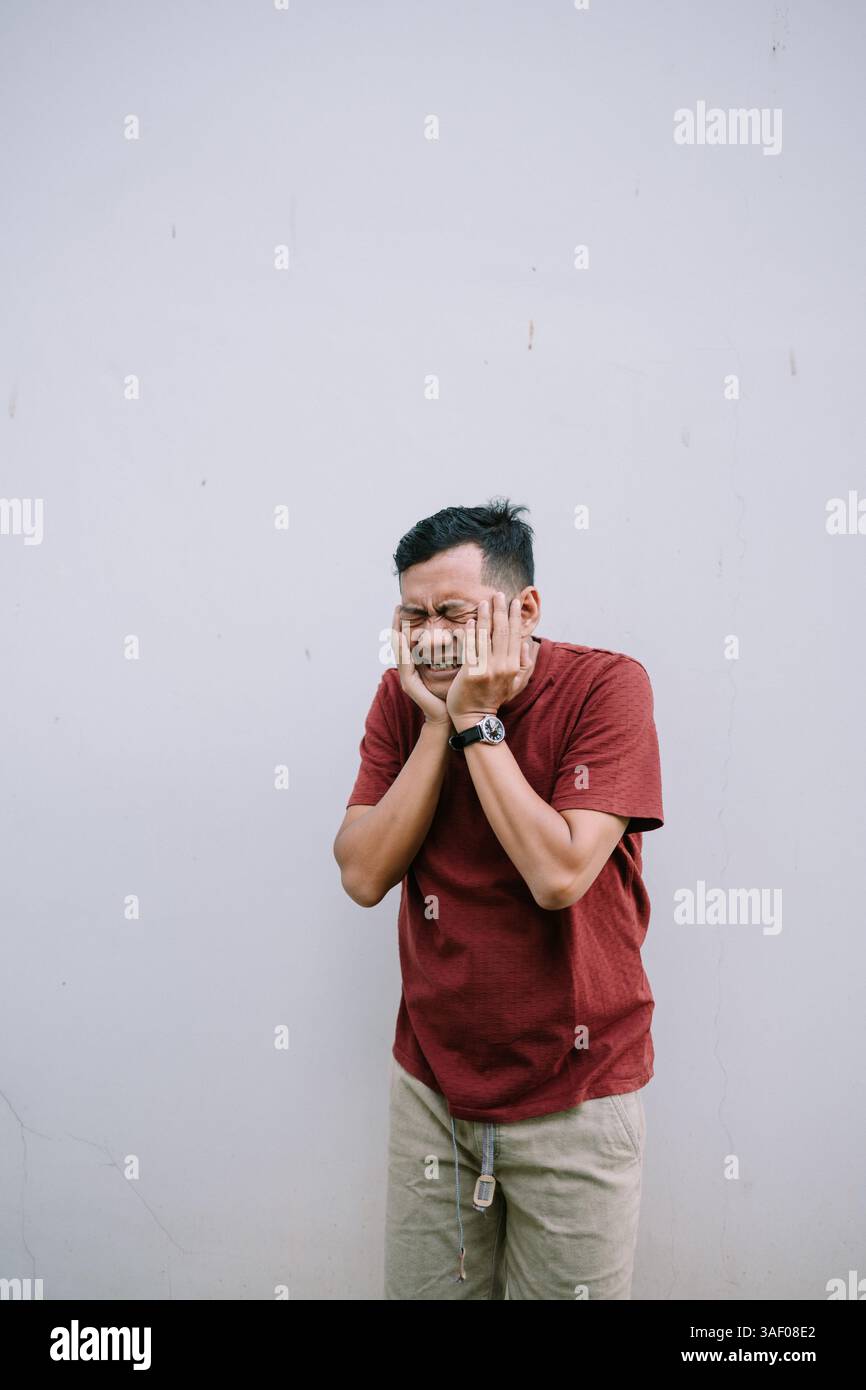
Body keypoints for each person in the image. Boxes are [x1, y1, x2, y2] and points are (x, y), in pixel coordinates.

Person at [333, 498, 664, 1300]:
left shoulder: (605, 687)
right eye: (412, 615)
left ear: (527, 609)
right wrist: (436, 727)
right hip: (433, 1090)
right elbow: (363, 874)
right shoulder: (401, 699)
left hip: (577, 1093)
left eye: (454, 611)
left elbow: (559, 877)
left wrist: (479, 722)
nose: (431, 634)